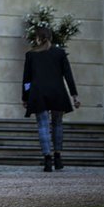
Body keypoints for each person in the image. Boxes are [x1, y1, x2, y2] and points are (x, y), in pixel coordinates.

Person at [22, 26, 80, 172]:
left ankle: (47, 159)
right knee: (58, 124)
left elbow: (27, 79)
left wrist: (25, 97)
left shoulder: (31, 55)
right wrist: (74, 95)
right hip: (57, 91)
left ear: (37, 38)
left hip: (38, 92)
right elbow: (68, 76)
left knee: (42, 126)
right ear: (51, 37)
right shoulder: (59, 53)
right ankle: (58, 157)